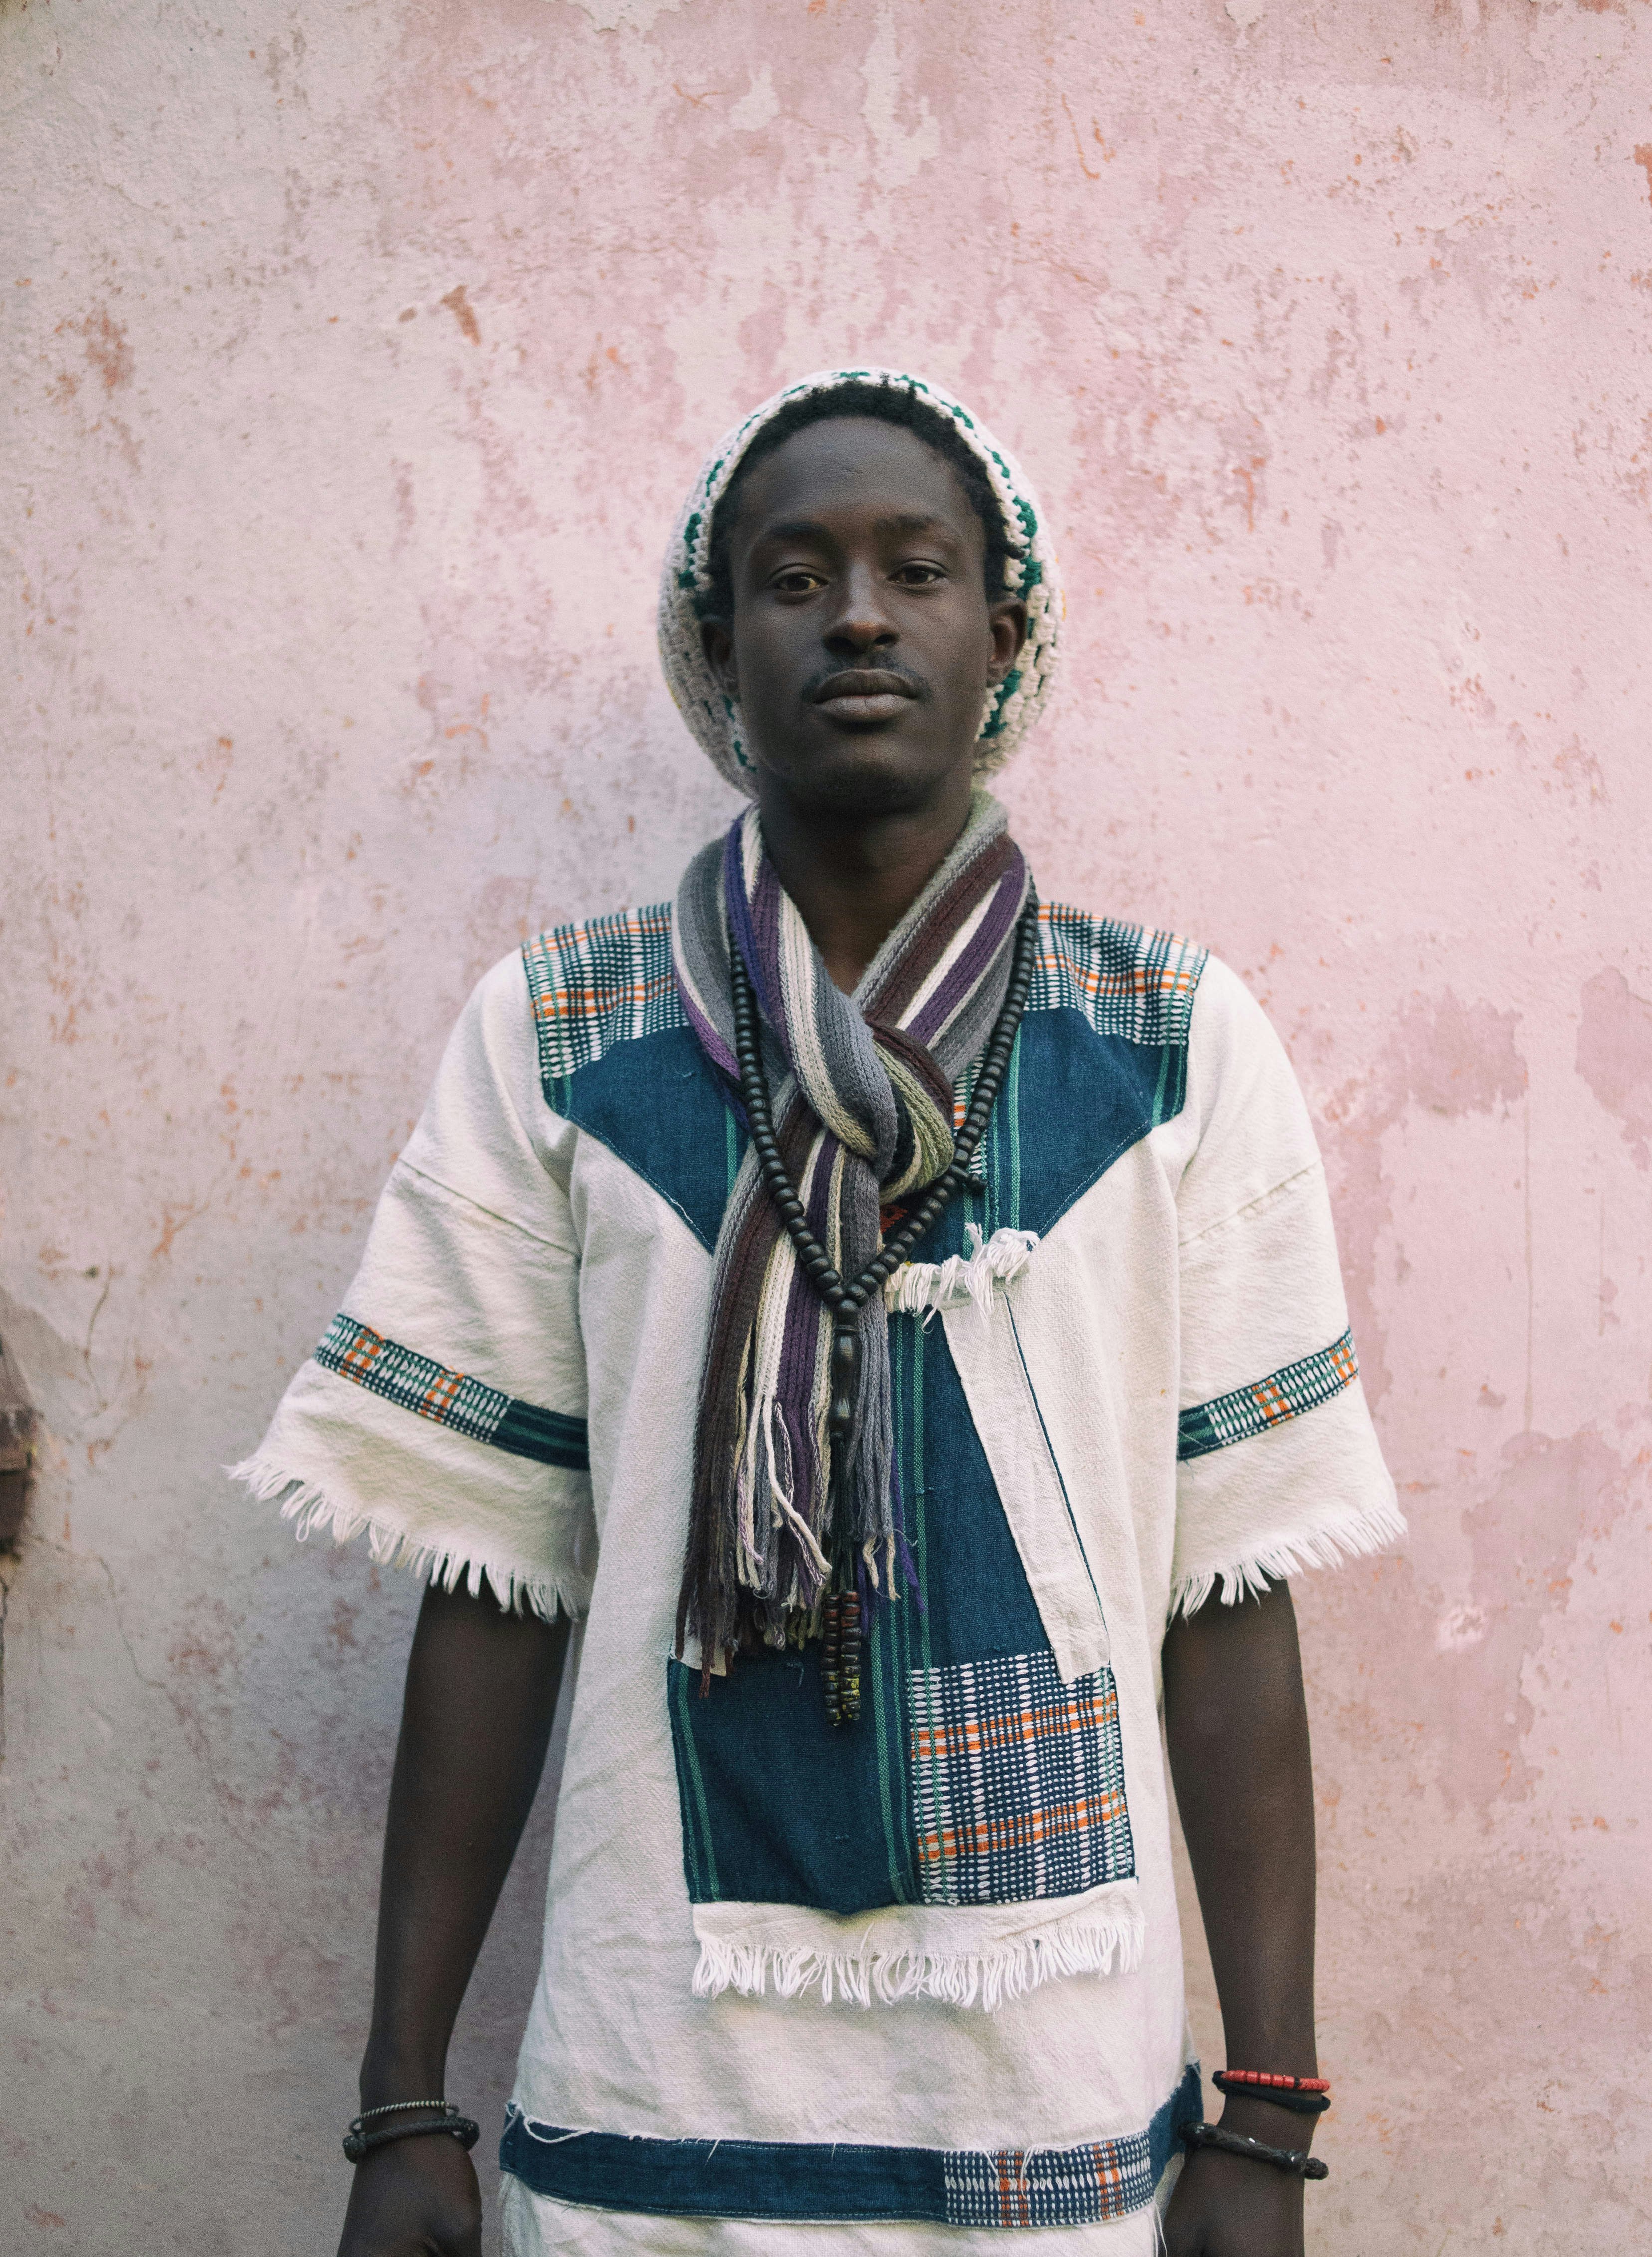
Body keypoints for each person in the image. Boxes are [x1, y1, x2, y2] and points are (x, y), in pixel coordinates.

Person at [235, 368, 1402, 2257]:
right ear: (722, 648)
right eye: (796, 575)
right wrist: (402, 2104)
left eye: (915, 568)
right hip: (649, 2111)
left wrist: (1266, 2117)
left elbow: (1230, 1585)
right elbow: (493, 1581)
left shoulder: (1171, 1046)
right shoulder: (565, 1042)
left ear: (999, 632)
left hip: (1058, 2121)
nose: (858, 613)